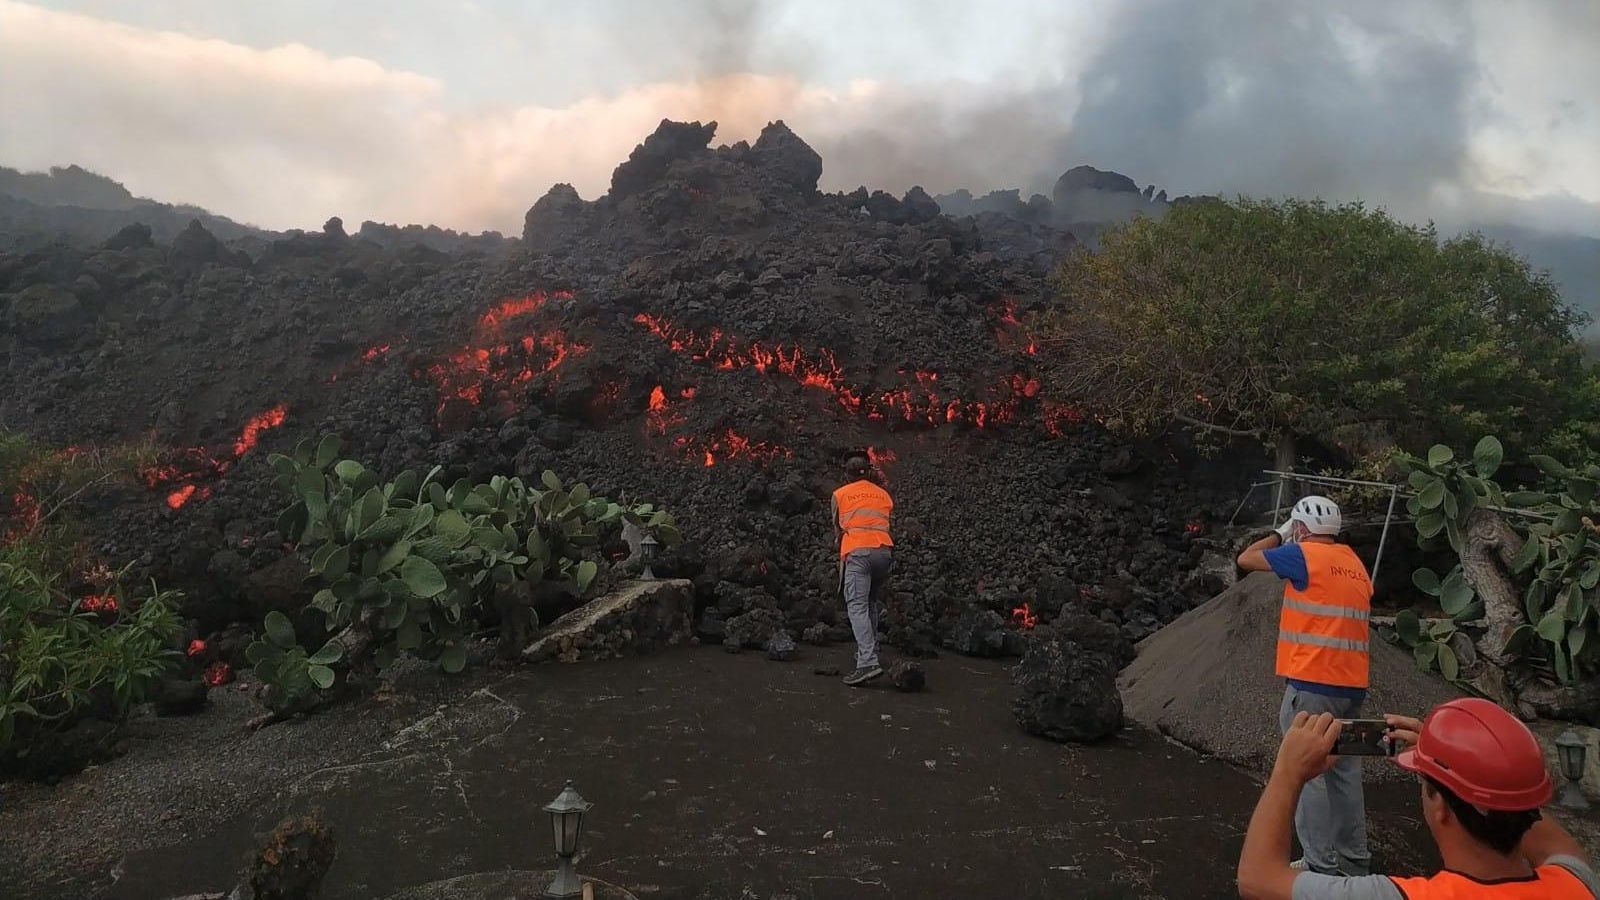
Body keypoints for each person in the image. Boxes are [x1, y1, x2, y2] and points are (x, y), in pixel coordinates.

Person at [1238, 698, 1598, 899]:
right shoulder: (1578, 884)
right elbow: (1521, 804)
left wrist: (1288, 771)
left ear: (1440, 807)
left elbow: (1257, 878)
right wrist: (1454, 755)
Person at [1238, 495, 1374, 875]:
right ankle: (1353, 862)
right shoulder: (1353, 564)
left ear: (1301, 528)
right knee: (1345, 773)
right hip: (1352, 687)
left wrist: (1280, 534)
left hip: (1314, 684)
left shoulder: (1303, 556)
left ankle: (1318, 864)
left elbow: (1246, 559)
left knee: (1306, 769)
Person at [831, 455, 893, 686]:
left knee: (856, 605)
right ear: (867, 472)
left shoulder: (840, 494)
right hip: (884, 552)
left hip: (859, 553)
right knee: (869, 603)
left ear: (846, 473)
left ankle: (867, 662)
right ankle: (870, 649)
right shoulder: (883, 494)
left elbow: (838, 531)